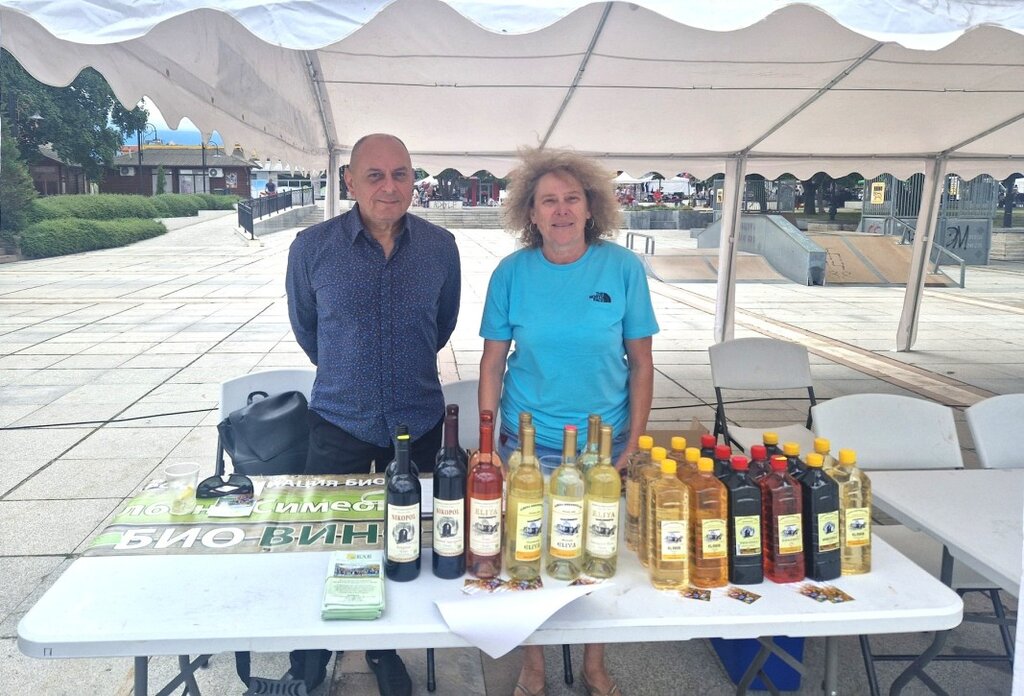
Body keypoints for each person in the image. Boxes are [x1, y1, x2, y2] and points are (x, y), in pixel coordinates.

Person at [285, 133, 461, 696]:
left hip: (418, 422)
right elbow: (308, 330)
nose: (389, 187)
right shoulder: (311, 248)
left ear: (413, 179)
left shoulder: (441, 247)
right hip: (339, 419)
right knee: (323, 539)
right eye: (375, 175)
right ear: (349, 181)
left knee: (410, 543)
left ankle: (387, 647)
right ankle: (309, 655)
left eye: (400, 174)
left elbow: (443, 323)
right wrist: (351, 370)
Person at [479, 148, 658, 696]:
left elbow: (642, 362)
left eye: (571, 199)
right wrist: (485, 444)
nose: (561, 210)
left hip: (602, 447)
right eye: (548, 201)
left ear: (591, 207)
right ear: (530, 214)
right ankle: (533, 663)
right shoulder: (511, 274)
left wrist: (633, 442)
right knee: (527, 553)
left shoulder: (622, 269)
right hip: (527, 445)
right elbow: (492, 362)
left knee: (597, 552)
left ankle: (594, 664)